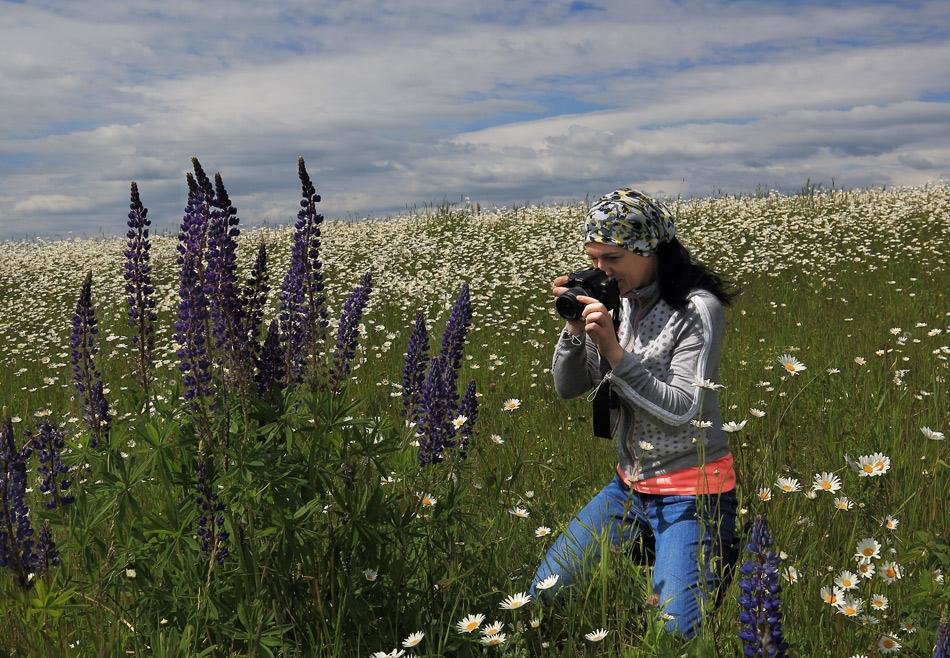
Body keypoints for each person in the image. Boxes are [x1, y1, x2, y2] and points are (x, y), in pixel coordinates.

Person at [531, 187, 740, 639]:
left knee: (672, 637)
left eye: (612, 258)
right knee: (546, 592)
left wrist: (614, 351)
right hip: (629, 486)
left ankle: (701, 550)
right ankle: (659, 556)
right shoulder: (616, 299)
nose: (600, 270)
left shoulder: (695, 309)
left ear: (650, 250)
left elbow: (686, 410)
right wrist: (574, 329)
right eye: (592, 259)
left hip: (694, 492)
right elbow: (569, 388)